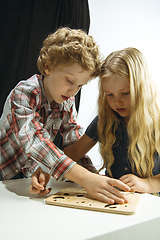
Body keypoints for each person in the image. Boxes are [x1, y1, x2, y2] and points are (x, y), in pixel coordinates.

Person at [0, 27, 130, 204]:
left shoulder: (65, 100)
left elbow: (73, 144)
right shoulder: (24, 94)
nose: (73, 91)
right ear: (48, 67)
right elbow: (37, 143)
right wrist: (85, 178)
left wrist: (95, 178)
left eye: (80, 86)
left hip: (24, 179)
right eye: (70, 81)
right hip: (2, 174)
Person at [62, 47, 160, 195]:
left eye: (125, 93)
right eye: (109, 95)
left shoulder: (157, 122)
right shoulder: (105, 120)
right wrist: (47, 169)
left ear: (141, 88)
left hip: (150, 208)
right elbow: (76, 151)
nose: (117, 102)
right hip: (115, 203)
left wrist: (147, 184)